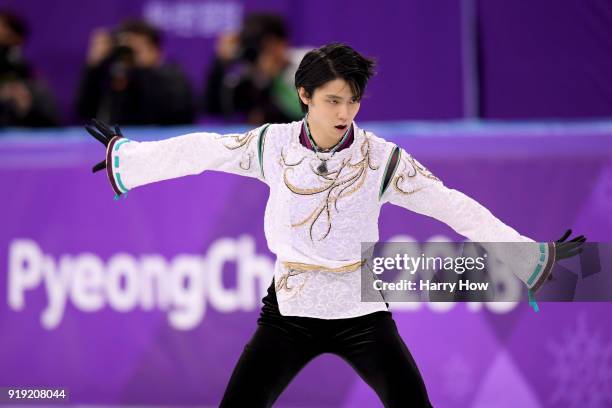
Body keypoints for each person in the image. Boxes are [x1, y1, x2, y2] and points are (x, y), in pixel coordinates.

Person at [86, 43, 585, 407]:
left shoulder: (382, 160)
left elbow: (453, 207)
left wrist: (527, 254)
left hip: (362, 314)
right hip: (289, 312)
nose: (345, 112)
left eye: (353, 100)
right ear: (304, 95)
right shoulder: (270, 146)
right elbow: (203, 150)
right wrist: (128, 160)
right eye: (333, 100)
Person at [76, 19, 194, 125]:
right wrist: (94, 68)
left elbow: (176, 114)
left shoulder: (173, 76)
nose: (130, 56)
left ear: (156, 52)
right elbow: (84, 111)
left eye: (137, 50)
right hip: (119, 144)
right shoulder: (115, 75)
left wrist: (140, 71)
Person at [201, 13, 303, 125]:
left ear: (280, 43)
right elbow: (213, 108)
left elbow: (302, 113)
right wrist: (220, 63)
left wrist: (272, 78)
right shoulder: (246, 75)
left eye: (267, 46)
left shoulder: (306, 65)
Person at [0, 10, 59, 127]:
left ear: (16, 39)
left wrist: (25, 107)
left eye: (5, 33)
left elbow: (51, 124)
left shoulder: (31, 81)